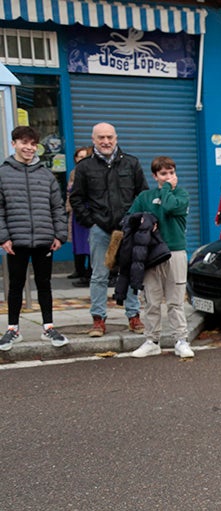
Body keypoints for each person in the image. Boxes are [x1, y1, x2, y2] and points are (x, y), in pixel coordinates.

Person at [69, 122, 147, 338]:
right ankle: (98, 319)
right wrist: (91, 222)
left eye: (109, 137)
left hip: (127, 229)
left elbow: (143, 194)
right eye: (101, 137)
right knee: (99, 276)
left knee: (130, 272)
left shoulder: (131, 163)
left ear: (116, 138)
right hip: (100, 230)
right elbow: (76, 198)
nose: (106, 141)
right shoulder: (84, 167)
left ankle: (133, 316)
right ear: (93, 140)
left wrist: (136, 220)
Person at [0, 126, 69, 351]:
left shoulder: (46, 174)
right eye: (24, 143)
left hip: (43, 239)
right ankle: (13, 329)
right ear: (14, 144)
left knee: (44, 284)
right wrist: (3, 237)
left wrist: (59, 235)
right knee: (15, 285)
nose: (29, 148)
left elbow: (57, 207)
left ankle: (48, 327)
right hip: (16, 240)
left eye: (33, 144)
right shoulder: (3, 173)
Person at [126, 156, 194, 359]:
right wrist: (145, 220)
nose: (169, 177)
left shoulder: (181, 194)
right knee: (151, 301)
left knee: (175, 301)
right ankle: (152, 341)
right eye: (163, 174)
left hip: (175, 252)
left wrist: (166, 188)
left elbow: (170, 207)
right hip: (151, 254)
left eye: (172, 172)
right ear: (155, 176)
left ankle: (181, 340)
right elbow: (129, 219)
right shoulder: (145, 197)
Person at [66, 145, 93, 287]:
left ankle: (89, 273)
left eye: (84, 156)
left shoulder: (91, 171)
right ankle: (80, 270)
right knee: (78, 243)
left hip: (88, 212)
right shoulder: (73, 172)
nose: (82, 159)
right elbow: (69, 193)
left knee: (89, 244)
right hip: (76, 212)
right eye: (79, 156)